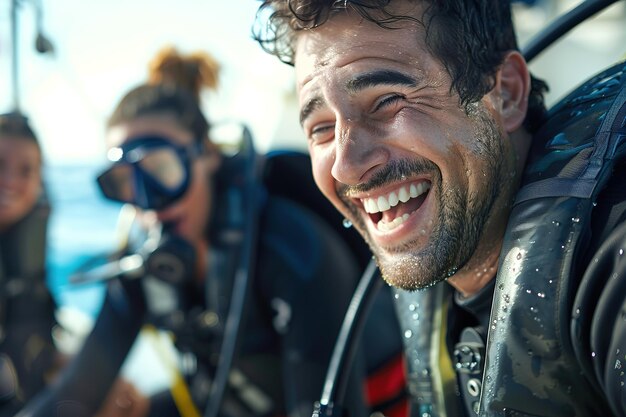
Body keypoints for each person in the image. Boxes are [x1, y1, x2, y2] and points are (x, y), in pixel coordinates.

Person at [252, 1, 626, 416]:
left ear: (505, 93)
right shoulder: (436, 279)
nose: (346, 165)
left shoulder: (612, 254)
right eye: (322, 129)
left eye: (387, 101)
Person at [16, 46, 407, 417]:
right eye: (126, 184)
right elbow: (75, 392)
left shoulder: (293, 250)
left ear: (207, 154)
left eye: (162, 172)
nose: (151, 201)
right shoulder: (144, 262)